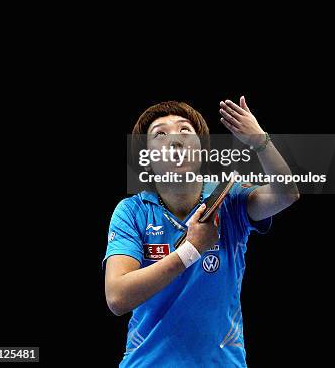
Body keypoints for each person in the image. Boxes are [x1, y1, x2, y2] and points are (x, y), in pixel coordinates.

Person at [103, 97, 300, 367]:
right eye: (160, 133)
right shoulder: (132, 211)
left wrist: (260, 141)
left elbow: (286, 194)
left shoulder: (231, 200)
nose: (175, 139)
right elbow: (117, 297)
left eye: (185, 130)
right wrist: (190, 250)